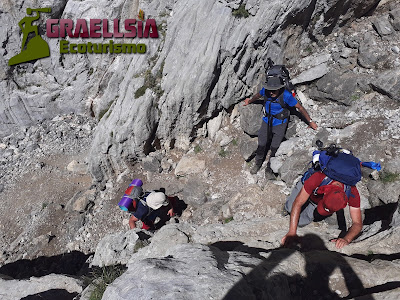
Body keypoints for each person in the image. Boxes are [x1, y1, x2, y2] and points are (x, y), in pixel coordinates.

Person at [243, 76, 318, 176]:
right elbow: (257, 95)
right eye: (270, 90)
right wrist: (250, 101)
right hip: (267, 120)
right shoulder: (265, 91)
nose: (271, 93)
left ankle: (269, 168)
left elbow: (300, 107)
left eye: (274, 90)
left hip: (280, 123)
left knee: (275, 146)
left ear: (279, 88)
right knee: (262, 143)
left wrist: (310, 121)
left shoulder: (286, 95)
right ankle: (258, 163)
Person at [281, 171, 363, 249]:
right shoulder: (318, 177)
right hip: (307, 187)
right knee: (290, 208)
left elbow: (357, 223)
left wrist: (346, 239)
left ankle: (312, 206)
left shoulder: (352, 192)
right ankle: (288, 204)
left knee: (301, 222)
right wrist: (292, 232)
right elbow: (298, 203)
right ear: (325, 193)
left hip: (315, 201)